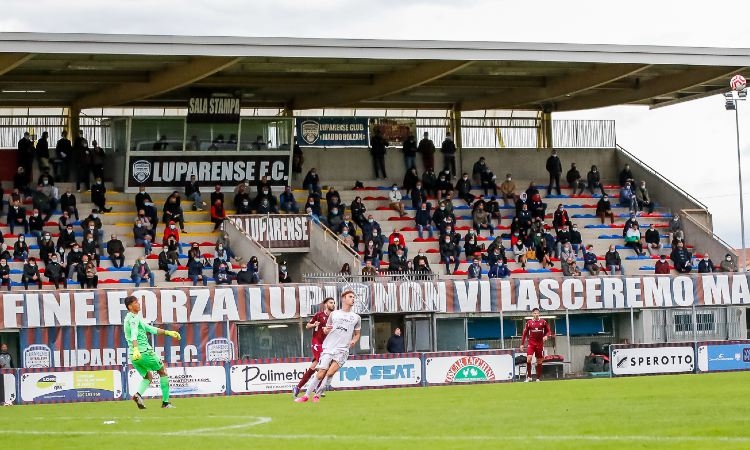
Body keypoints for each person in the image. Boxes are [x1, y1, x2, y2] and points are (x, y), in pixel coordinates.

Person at [296, 290, 361, 403]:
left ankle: (317, 395)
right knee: (320, 373)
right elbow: (326, 329)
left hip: (342, 349)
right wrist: (325, 330)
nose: (353, 299)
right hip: (329, 347)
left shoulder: (356, 317)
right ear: (344, 299)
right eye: (350, 297)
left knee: (330, 372)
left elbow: (357, 334)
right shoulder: (334, 314)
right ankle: (306, 396)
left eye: (354, 297)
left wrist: (353, 341)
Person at [124, 295, 181, 409]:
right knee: (162, 372)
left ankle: (138, 395)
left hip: (134, 356)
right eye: (136, 302)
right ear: (130, 306)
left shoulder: (129, 318)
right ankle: (165, 403)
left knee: (148, 376)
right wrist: (136, 348)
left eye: (138, 302)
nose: (139, 304)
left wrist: (168, 332)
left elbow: (150, 329)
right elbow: (134, 333)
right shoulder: (134, 319)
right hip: (144, 352)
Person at [292, 297, 337, 398]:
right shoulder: (318, 315)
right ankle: (318, 387)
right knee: (324, 364)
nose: (333, 304)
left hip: (326, 345)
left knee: (313, 367)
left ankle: (298, 387)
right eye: (331, 302)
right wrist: (314, 324)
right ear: (325, 304)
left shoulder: (334, 318)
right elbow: (307, 326)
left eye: (334, 303)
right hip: (317, 343)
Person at [520, 307, 551, 382]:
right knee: (529, 358)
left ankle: (538, 377)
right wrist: (522, 344)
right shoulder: (529, 323)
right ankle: (529, 377)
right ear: (532, 314)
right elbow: (524, 334)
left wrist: (546, 336)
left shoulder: (543, 322)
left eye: (537, 313)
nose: (536, 314)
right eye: (534, 313)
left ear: (539, 314)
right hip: (531, 343)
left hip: (540, 344)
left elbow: (549, 331)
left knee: (539, 361)